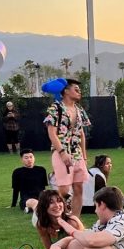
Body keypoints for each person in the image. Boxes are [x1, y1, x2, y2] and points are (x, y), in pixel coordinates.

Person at [44, 78, 88, 217]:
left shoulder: (79, 110)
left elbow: (81, 134)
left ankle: (75, 221)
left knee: (79, 188)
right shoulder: (55, 108)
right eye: (76, 89)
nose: (79, 91)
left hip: (77, 154)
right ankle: (59, 219)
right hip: (61, 152)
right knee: (63, 190)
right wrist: (62, 153)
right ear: (66, 91)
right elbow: (51, 132)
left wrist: (84, 157)